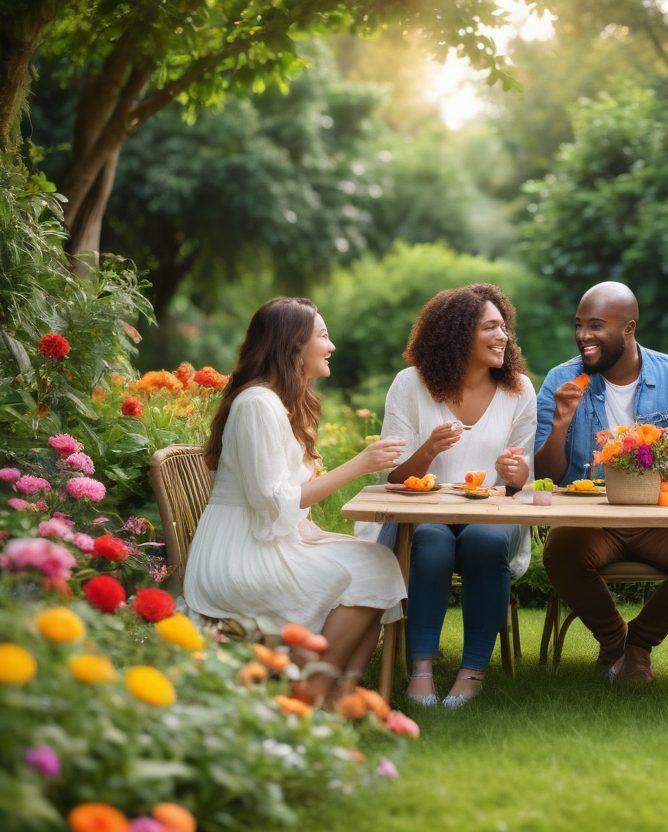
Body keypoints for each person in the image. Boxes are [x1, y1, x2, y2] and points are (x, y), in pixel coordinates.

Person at [185, 297, 408, 706]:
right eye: (323, 335)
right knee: (372, 569)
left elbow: (280, 502)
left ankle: (343, 693)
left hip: (263, 539)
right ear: (293, 345)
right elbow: (273, 501)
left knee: (378, 561)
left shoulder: (281, 402)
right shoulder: (257, 405)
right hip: (238, 555)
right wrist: (360, 464)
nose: (331, 345)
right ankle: (315, 692)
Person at [535, 281, 668, 683]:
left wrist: (653, 477)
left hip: (660, 515)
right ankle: (614, 642)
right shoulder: (561, 381)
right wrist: (560, 423)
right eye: (579, 325)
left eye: (596, 325)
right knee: (560, 554)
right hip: (590, 520)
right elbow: (545, 476)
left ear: (628, 328)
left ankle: (640, 643)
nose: (583, 336)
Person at [356, 284, 536, 708]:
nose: (503, 336)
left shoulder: (519, 390)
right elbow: (394, 477)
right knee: (433, 541)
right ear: (457, 335)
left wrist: (516, 474)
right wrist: (430, 449)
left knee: (484, 539)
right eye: (490, 327)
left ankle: (472, 671)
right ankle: (420, 668)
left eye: (503, 327)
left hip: (491, 516)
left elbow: (520, 484)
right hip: (422, 516)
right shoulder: (411, 385)